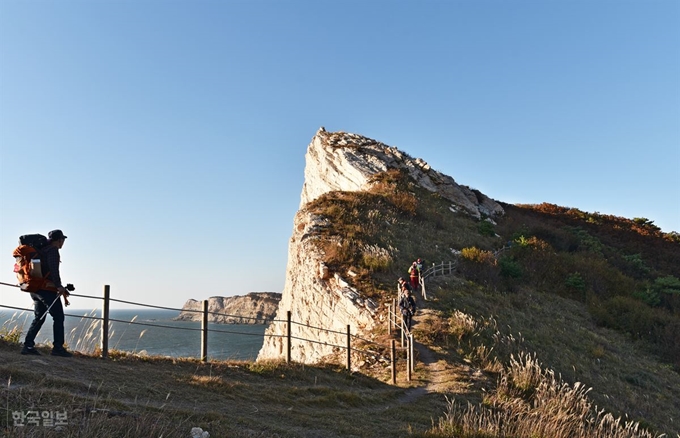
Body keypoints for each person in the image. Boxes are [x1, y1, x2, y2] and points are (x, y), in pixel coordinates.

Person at [21, 230, 72, 357]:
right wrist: (59, 286)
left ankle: (28, 345)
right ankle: (58, 348)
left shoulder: (41, 250)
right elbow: (54, 270)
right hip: (47, 290)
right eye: (62, 240)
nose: (63, 243)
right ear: (59, 240)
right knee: (58, 317)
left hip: (34, 288)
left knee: (39, 317)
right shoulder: (53, 250)